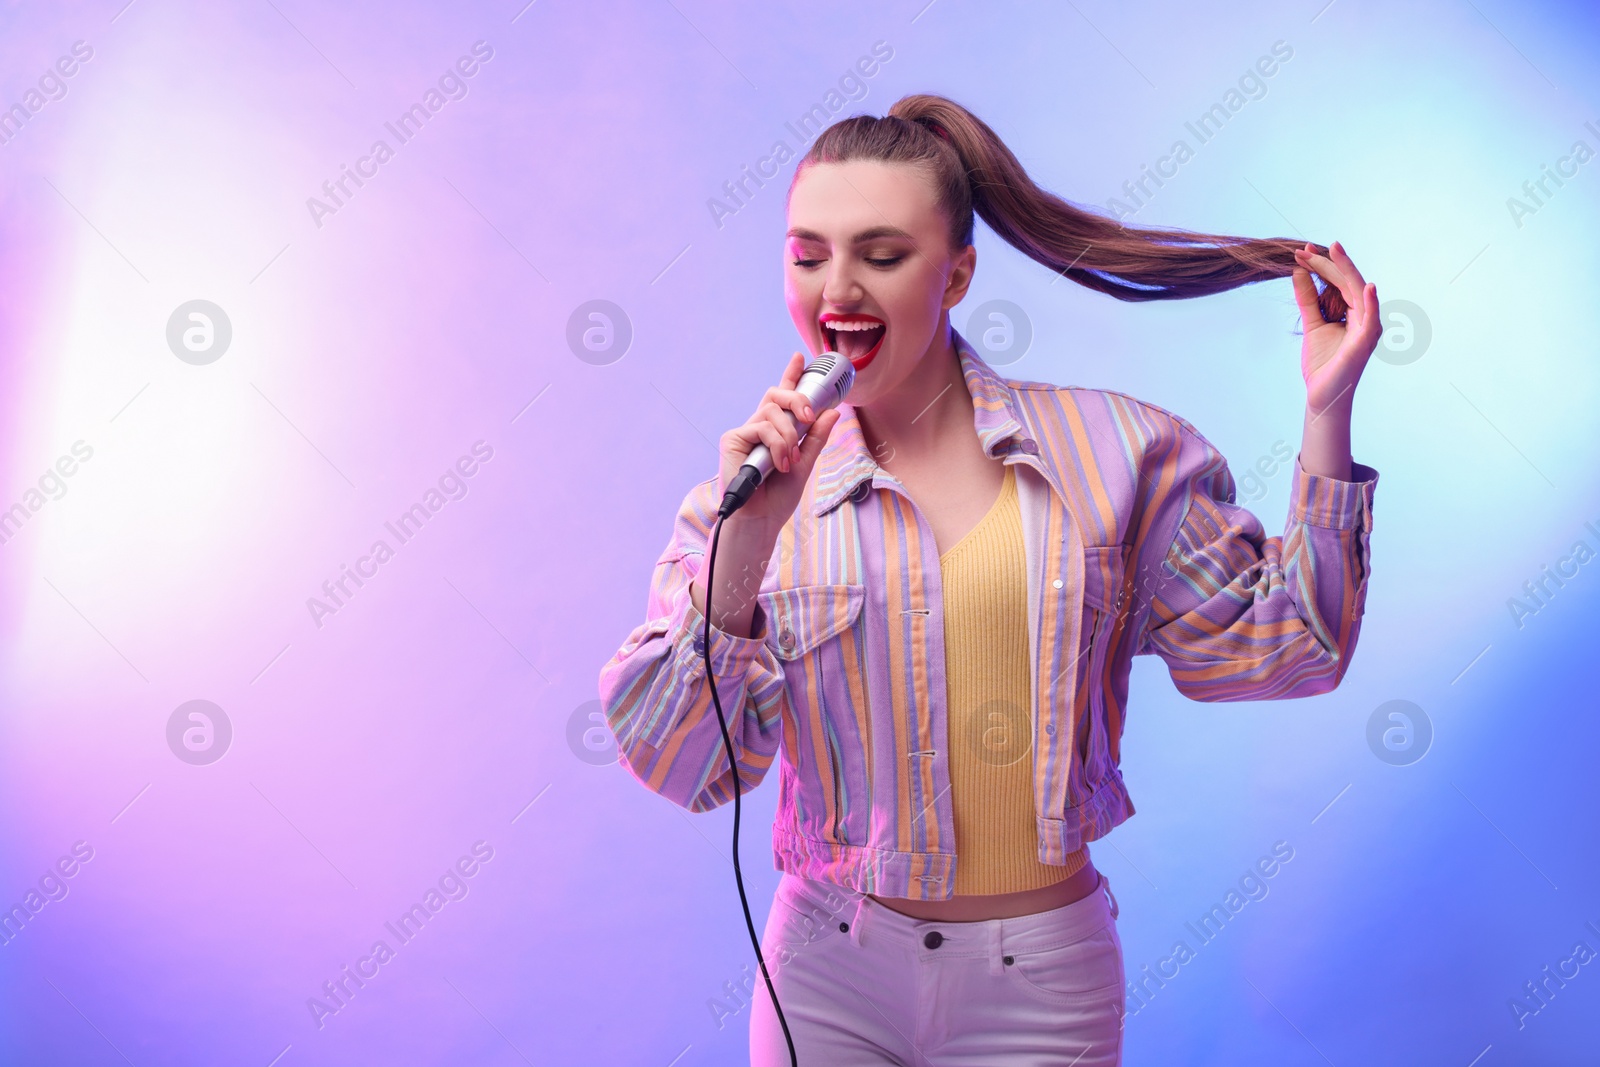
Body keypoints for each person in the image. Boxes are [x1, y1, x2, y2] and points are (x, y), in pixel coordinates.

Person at [597, 93, 1380, 1066]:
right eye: (807, 253)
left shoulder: (1120, 453)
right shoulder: (749, 500)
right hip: (825, 979)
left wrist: (1327, 410)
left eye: (880, 252)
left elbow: (1292, 649)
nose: (835, 287)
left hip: (1043, 983)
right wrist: (746, 544)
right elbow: (683, 764)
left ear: (957, 271)